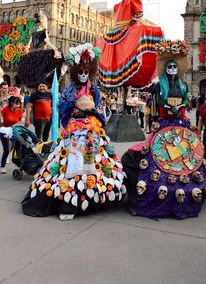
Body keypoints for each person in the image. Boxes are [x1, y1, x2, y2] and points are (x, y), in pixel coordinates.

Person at [22, 43, 127, 220]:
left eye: (86, 72)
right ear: (75, 72)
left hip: (91, 132)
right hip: (73, 132)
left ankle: (92, 192)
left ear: (90, 72)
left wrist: (92, 110)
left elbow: (101, 108)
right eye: (80, 72)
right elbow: (61, 105)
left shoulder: (94, 89)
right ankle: (68, 194)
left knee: (92, 161)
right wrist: (73, 107)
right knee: (71, 162)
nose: (84, 75)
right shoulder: (70, 89)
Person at [122, 40, 206, 220]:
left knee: (187, 154)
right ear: (165, 68)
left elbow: (187, 100)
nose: (172, 69)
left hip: (180, 123)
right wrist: (167, 106)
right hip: (164, 123)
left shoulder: (183, 85)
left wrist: (181, 105)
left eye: (174, 67)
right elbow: (157, 100)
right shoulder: (159, 85)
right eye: (169, 66)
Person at [0, 96, 23, 174]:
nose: (18, 106)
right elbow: (1, 118)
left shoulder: (19, 110)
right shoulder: (5, 110)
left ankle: (21, 166)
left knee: (18, 149)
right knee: (7, 150)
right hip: (4, 131)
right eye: (17, 104)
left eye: (19, 104)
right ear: (12, 103)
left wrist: (14, 126)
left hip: (14, 131)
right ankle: (2, 166)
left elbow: (20, 121)